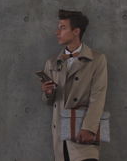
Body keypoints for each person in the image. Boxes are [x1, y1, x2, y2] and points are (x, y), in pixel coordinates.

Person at [41, 9, 108, 161]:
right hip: (60, 133)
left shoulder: (97, 60)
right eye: (58, 27)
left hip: (82, 129)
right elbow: (48, 102)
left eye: (62, 28)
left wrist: (89, 128)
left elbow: (98, 96)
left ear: (76, 31)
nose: (57, 32)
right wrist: (48, 93)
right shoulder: (51, 62)